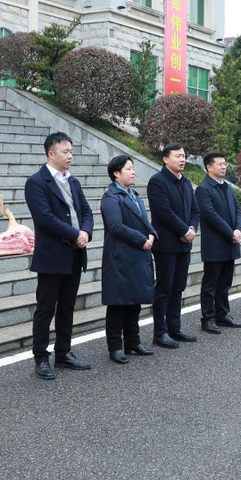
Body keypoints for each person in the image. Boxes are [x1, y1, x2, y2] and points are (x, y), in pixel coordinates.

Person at [25, 132, 95, 377]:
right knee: (46, 309)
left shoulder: (73, 181)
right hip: (52, 256)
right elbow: (44, 219)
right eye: (65, 152)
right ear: (51, 153)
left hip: (75, 254)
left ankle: (64, 353)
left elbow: (86, 211)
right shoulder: (36, 182)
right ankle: (41, 358)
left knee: (67, 307)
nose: (70, 156)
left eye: (72, 152)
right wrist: (74, 234)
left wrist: (85, 231)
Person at [99, 155, 156, 364]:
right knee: (118, 304)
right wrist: (142, 239)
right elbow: (115, 226)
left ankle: (133, 341)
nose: (133, 172)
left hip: (137, 255)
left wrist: (151, 233)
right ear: (116, 173)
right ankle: (115, 346)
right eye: (129, 169)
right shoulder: (111, 197)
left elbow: (145, 221)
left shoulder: (134, 195)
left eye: (133, 169)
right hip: (120, 257)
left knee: (134, 301)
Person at [147, 143, 201, 349]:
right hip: (166, 245)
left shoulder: (186, 182)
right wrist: (184, 231)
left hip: (184, 244)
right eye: (178, 156)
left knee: (178, 288)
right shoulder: (157, 182)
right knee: (164, 288)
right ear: (165, 159)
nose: (182, 159)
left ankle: (175, 328)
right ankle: (159, 333)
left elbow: (195, 210)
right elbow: (164, 212)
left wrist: (192, 228)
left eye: (184, 155)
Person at [195, 151, 241, 333]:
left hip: (231, 242)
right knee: (210, 284)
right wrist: (230, 232)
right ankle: (207, 319)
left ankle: (222, 314)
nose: (224, 167)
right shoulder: (203, 189)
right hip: (215, 243)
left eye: (225, 164)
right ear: (209, 167)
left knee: (225, 283)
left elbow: (239, 211)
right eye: (220, 164)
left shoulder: (227, 188)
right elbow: (210, 215)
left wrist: (240, 230)